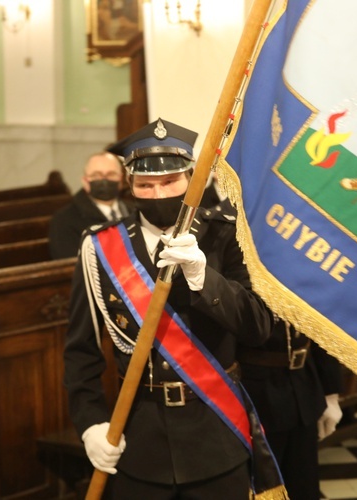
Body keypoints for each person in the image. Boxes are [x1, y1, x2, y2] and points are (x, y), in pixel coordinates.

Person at [63, 118, 283, 499]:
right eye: (146, 184)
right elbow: (80, 351)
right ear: (129, 186)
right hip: (137, 440)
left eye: (170, 181)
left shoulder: (224, 234)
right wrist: (90, 423)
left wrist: (203, 278)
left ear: (190, 179)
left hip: (216, 433)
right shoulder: (100, 248)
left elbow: (260, 328)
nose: (158, 192)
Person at [239, 319, 343, 500]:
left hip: (304, 389)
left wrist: (331, 392)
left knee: (303, 487)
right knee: (261, 489)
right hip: (255, 397)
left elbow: (323, 323)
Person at [49, 151, 130, 259]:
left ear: (121, 179)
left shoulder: (134, 209)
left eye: (111, 174)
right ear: (85, 181)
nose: (104, 180)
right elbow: (68, 264)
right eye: (96, 175)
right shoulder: (64, 220)